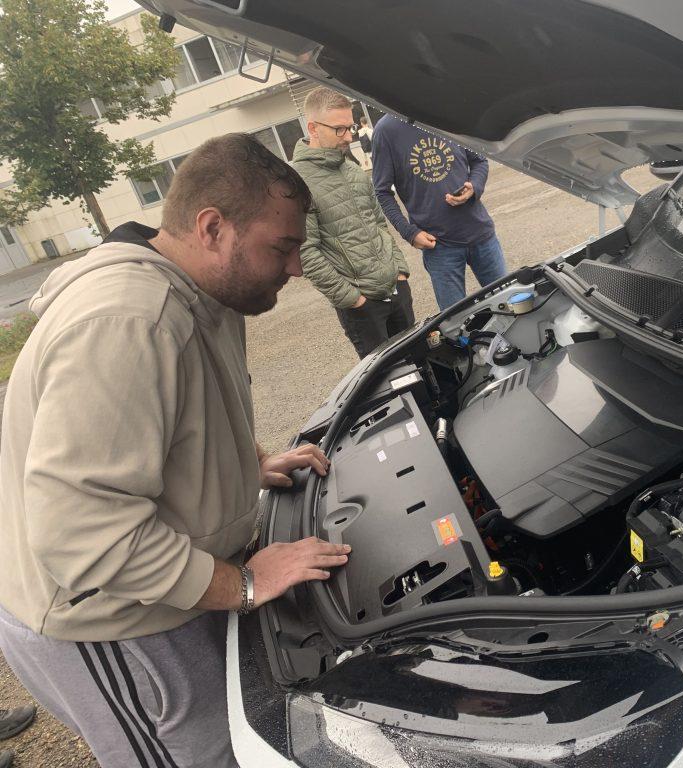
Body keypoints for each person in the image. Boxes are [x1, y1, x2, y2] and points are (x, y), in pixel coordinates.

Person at [0, 133, 351, 768]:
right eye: (283, 247)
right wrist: (246, 584)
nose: (297, 267)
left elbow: (178, 413)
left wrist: (247, 465)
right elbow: (83, 533)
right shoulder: (131, 321)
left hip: (160, 591)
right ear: (213, 228)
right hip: (111, 624)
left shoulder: (209, 290)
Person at [293, 88, 414, 358]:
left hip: (396, 289)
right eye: (339, 129)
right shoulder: (297, 183)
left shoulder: (353, 169)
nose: (349, 137)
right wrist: (352, 299)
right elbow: (306, 252)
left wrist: (400, 272)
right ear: (313, 128)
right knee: (387, 379)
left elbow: (378, 223)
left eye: (350, 128)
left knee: (419, 364)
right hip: (362, 308)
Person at [372, 114, 507, 310]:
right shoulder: (386, 131)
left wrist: (474, 186)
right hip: (439, 246)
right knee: (456, 320)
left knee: (508, 304)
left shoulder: (446, 113)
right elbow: (382, 191)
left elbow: (479, 161)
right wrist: (409, 232)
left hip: (481, 234)